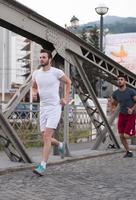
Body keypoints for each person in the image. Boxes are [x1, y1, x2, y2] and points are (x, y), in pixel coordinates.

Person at [32, 49, 71, 175]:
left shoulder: (56, 72)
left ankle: (42, 166)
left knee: (47, 136)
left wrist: (65, 98)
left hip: (54, 107)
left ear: (49, 59)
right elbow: (33, 87)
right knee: (45, 136)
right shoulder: (36, 74)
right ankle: (60, 145)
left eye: (44, 57)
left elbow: (68, 82)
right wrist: (34, 93)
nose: (41, 59)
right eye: (40, 57)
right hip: (43, 108)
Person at [111, 74, 136, 158]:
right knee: (121, 136)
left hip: (131, 115)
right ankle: (128, 151)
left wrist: (132, 109)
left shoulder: (131, 91)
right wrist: (112, 108)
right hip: (122, 115)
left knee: (126, 135)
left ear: (125, 81)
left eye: (121, 79)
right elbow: (114, 103)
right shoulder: (115, 93)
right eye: (118, 80)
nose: (119, 81)